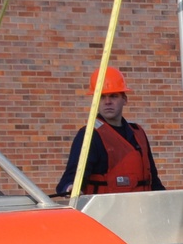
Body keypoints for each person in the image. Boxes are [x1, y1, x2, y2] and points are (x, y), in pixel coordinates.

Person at [56, 67, 165, 196]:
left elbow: (153, 179)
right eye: (102, 97)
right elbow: (72, 176)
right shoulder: (89, 135)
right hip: (104, 213)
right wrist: (70, 187)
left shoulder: (138, 133)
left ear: (125, 99)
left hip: (141, 211)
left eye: (113, 96)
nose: (107, 102)